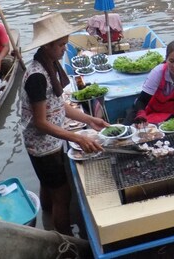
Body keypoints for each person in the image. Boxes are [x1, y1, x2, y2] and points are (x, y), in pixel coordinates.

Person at [20, 13, 108, 235]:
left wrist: (89, 119)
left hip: (50, 143)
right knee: (62, 194)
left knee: (47, 185)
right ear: (47, 46)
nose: (64, 50)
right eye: (60, 45)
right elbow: (40, 122)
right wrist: (78, 137)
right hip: (43, 146)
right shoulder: (37, 77)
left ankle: (47, 220)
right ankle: (66, 240)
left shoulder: (49, 66)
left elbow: (58, 106)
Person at [127, 40, 174, 125]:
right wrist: (141, 114)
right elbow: (141, 101)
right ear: (166, 59)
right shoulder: (157, 72)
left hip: (169, 112)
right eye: (171, 61)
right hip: (149, 110)